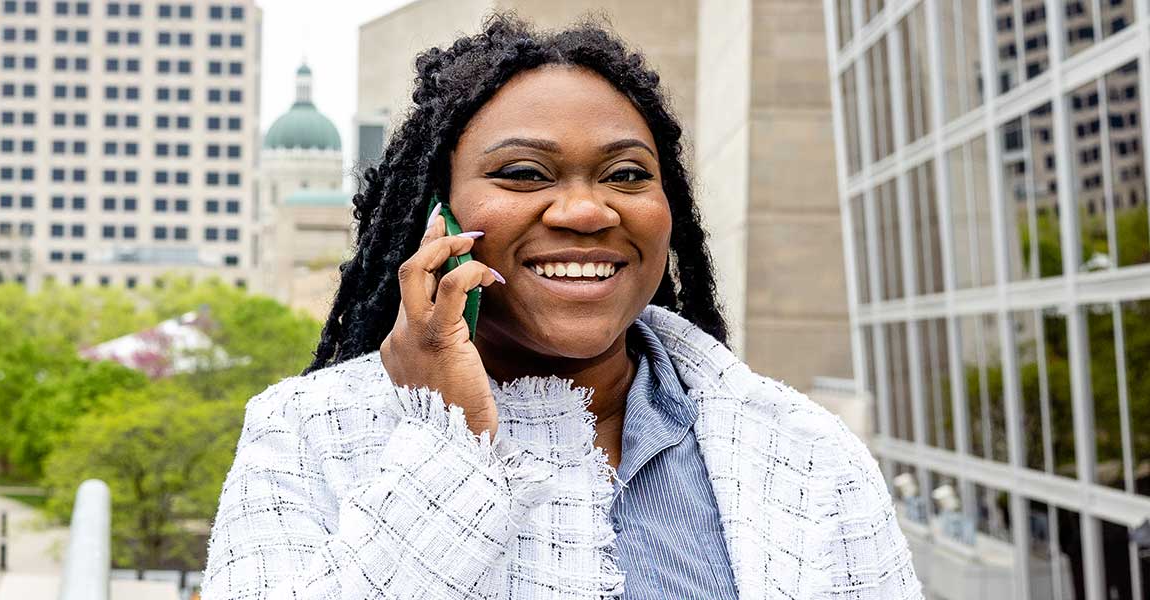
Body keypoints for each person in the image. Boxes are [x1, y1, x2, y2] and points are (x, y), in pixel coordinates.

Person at [201, 14, 919, 599]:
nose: (584, 209)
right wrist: (447, 439)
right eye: (523, 173)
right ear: (434, 217)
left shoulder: (807, 454)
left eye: (627, 174)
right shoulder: (303, 435)